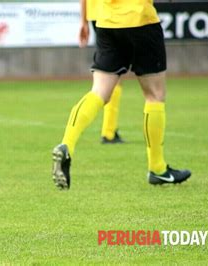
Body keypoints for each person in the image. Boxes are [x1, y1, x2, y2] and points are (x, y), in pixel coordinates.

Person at [52, 0, 191, 190]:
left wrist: (84, 20)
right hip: (141, 20)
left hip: (107, 22)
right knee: (155, 95)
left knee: (99, 91)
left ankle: (67, 144)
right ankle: (157, 168)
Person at [79, 0, 124, 144]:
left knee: (110, 73)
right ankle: (109, 131)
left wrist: (84, 21)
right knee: (114, 74)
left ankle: (109, 129)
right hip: (113, 13)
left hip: (95, 14)